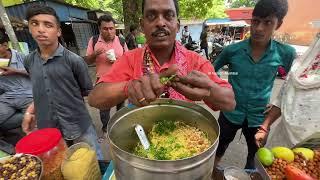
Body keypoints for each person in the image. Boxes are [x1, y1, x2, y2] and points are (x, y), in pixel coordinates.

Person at [88, 0, 235, 114]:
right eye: (151, 16)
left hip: (187, 143)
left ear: (177, 26)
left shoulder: (196, 61)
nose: (160, 23)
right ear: (142, 25)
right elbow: (95, 98)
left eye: (168, 15)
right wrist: (129, 87)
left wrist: (209, 91)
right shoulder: (130, 59)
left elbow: (230, 103)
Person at [214, 0, 296, 169]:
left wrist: (274, 108)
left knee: (255, 158)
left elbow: (291, 87)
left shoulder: (286, 53)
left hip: (259, 118)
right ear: (250, 21)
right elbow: (210, 70)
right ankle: (212, 173)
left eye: (268, 23)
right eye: (256, 21)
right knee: (217, 149)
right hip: (230, 113)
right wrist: (220, 92)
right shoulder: (232, 50)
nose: (259, 28)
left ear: (278, 24)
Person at [21, 5, 103, 159]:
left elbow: (87, 91)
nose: (41, 29)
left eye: (48, 25)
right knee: (60, 164)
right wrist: (30, 112)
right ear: (29, 28)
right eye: (34, 23)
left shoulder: (74, 61)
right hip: (49, 128)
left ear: (58, 31)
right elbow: (42, 90)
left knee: (92, 161)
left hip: (79, 124)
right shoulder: (29, 61)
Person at [255, 33, 320, 148]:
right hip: (284, 139)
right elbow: (282, 99)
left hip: (314, 148)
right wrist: (265, 127)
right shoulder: (300, 67)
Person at [85, 15, 128, 132]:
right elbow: (87, 61)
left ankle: (119, 125)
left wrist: (118, 60)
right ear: (99, 29)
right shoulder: (94, 41)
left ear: (115, 28)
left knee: (120, 105)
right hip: (102, 80)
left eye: (111, 28)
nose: (109, 31)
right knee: (104, 107)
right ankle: (106, 127)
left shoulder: (121, 41)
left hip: (120, 80)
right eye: (105, 29)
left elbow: (128, 60)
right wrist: (95, 54)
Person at [0, 33, 32, 154]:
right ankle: (12, 152)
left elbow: (38, 73)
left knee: (31, 124)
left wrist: (15, 71)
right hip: (7, 97)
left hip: (28, 95)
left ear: (5, 45)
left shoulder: (22, 57)